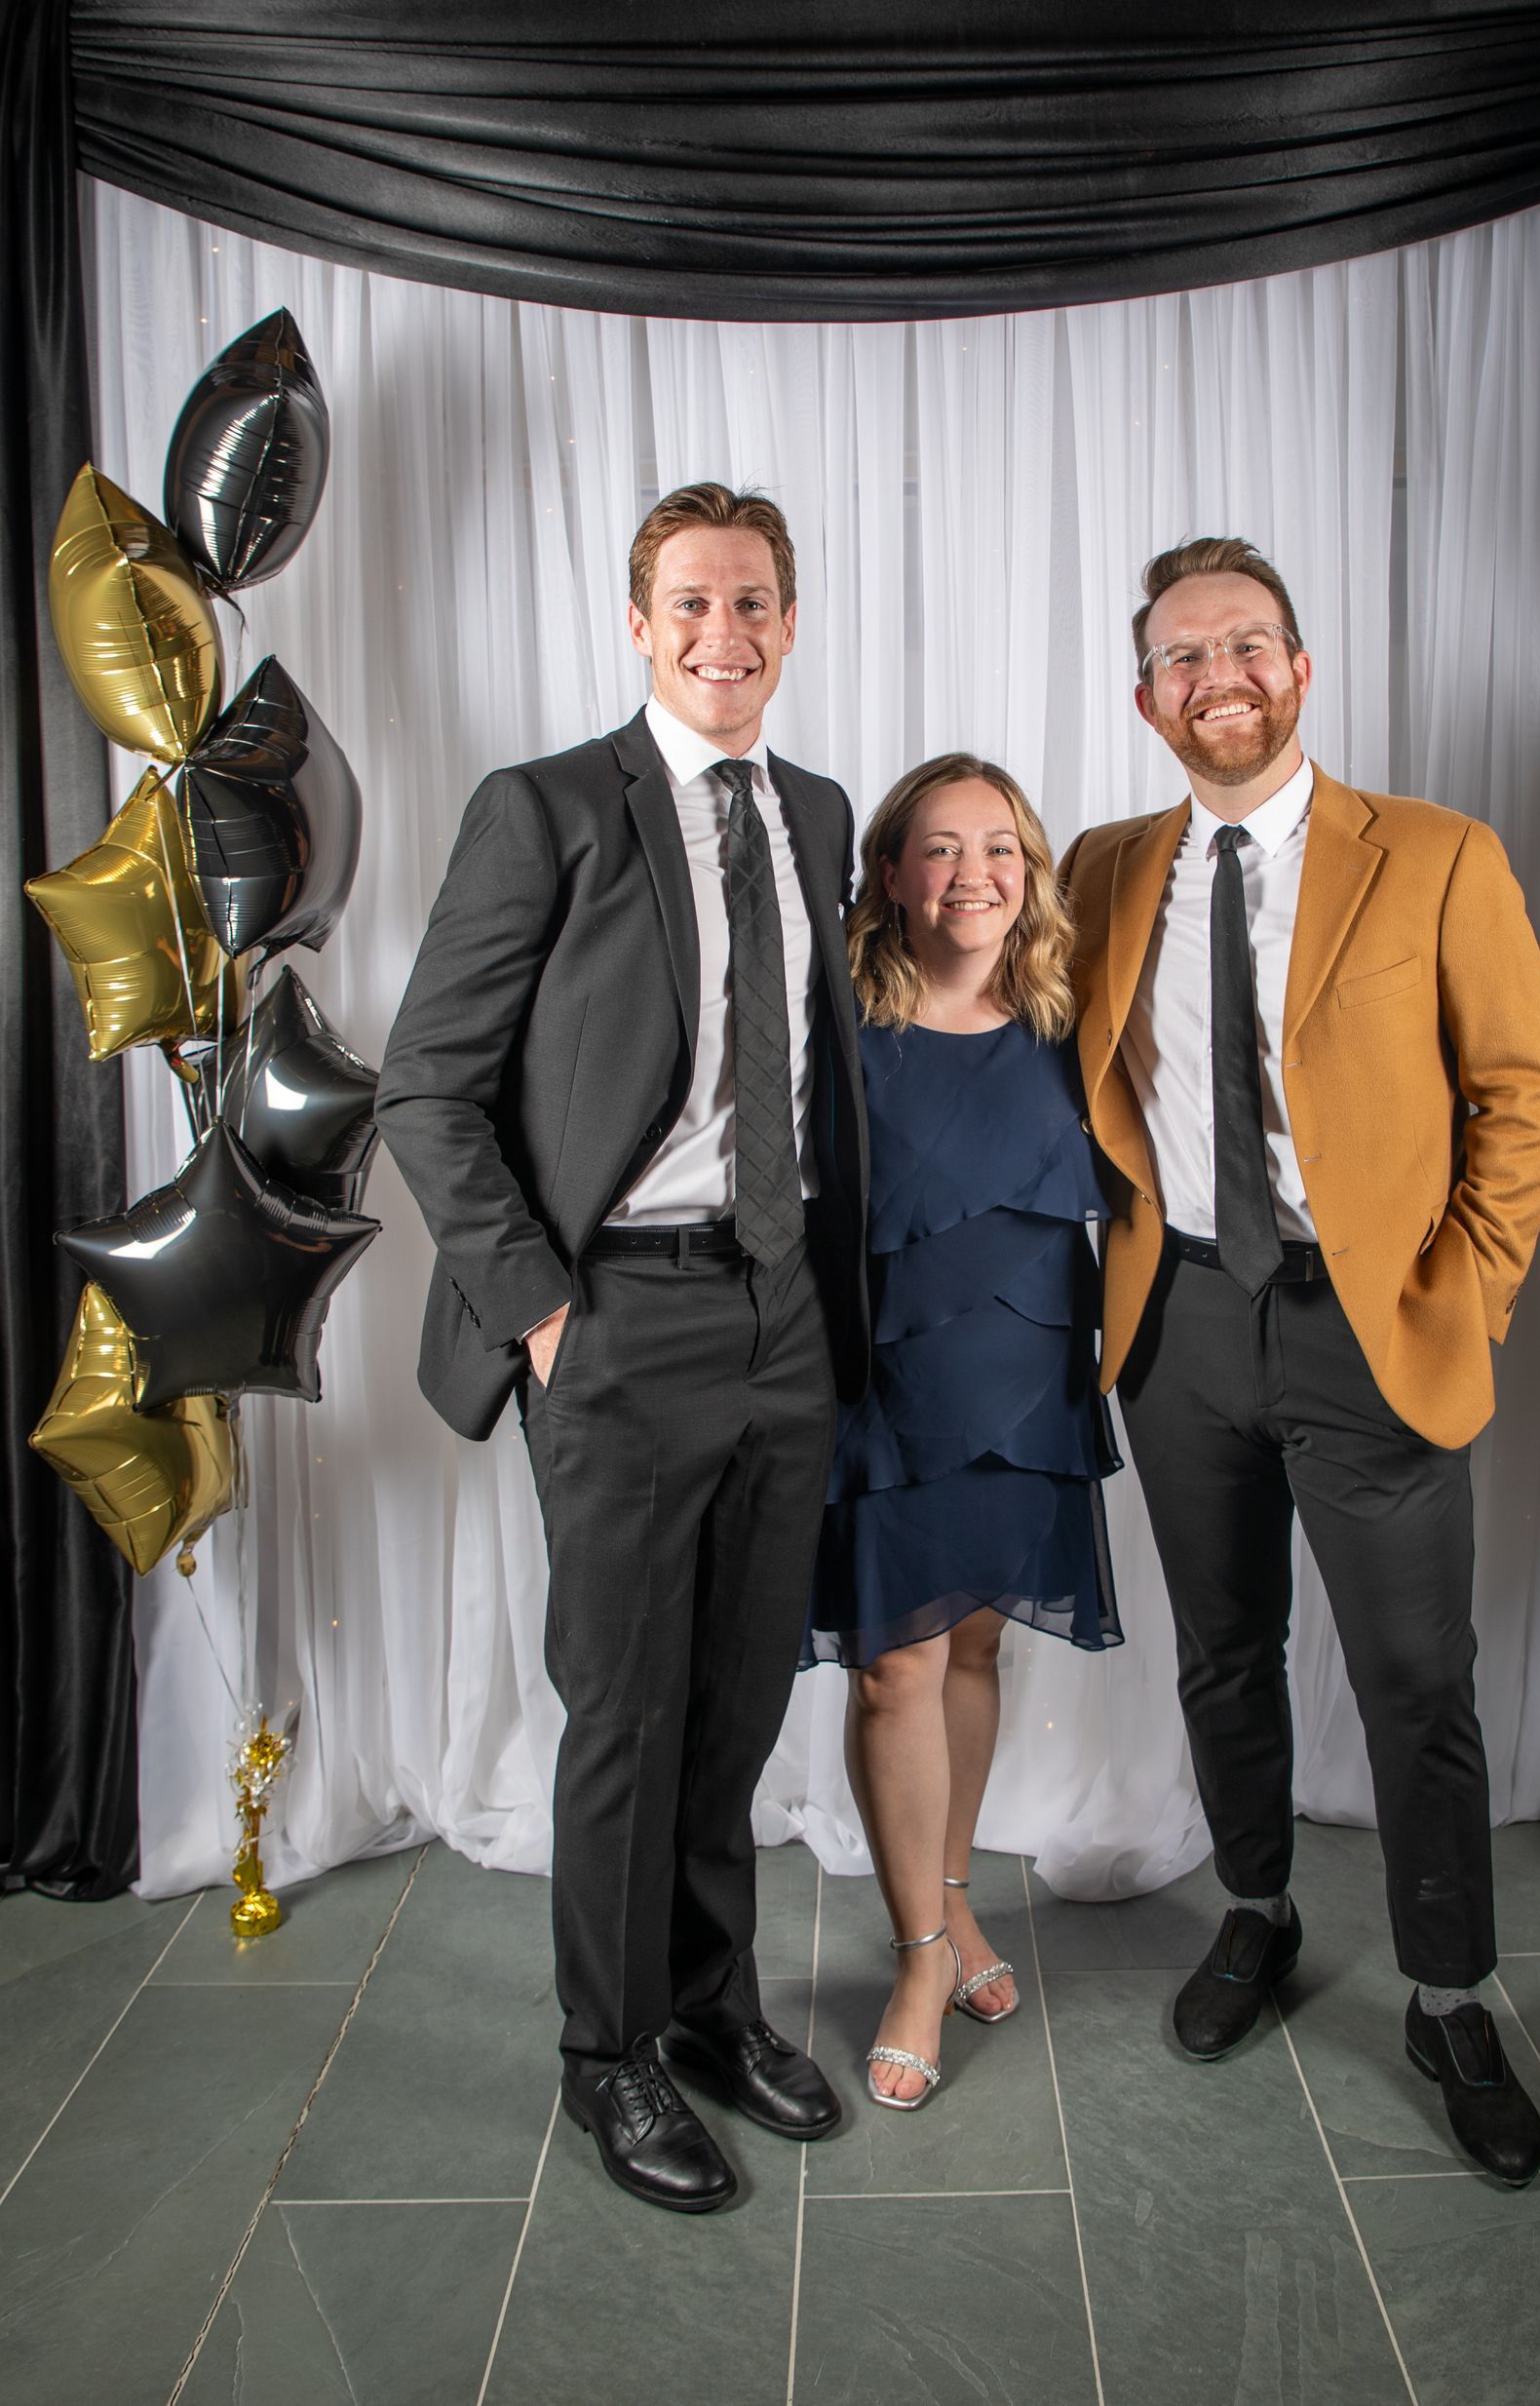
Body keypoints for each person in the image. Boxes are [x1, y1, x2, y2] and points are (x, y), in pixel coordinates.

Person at [375, 482, 868, 2215]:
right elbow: (423, 1084)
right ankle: (609, 2056)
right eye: (689, 605)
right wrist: (544, 1309)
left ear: (789, 625)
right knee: (625, 1706)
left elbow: (813, 1068)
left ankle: (713, 2006)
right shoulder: (549, 810)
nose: (722, 635)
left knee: (736, 1701)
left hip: (781, 1308)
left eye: (752, 604)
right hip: (616, 1316)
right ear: (639, 625)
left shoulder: (816, 812)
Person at [1060, 538, 1540, 2186]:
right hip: (1181, 1320)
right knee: (1224, 1650)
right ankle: (1259, 1911)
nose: (1223, 677)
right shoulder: (1103, 865)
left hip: (1377, 1329)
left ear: (1301, 669)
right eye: (1187, 657)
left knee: (1419, 1681)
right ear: (1147, 698)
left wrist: (1470, 1292)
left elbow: (1524, 1094)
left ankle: (1448, 1993)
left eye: (1250, 645)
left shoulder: (1434, 856)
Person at [804, 754, 1122, 2109]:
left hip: (1032, 1376)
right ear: (889, 875)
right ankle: (921, 1955)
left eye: (999, 848)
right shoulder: (839, 1026)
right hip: (885, 1388)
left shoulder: (1074, 1019)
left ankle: (955, 1898)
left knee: (978, 1641)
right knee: (896, 1671)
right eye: (938, 849)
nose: (972, 875)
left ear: (1032, 873)